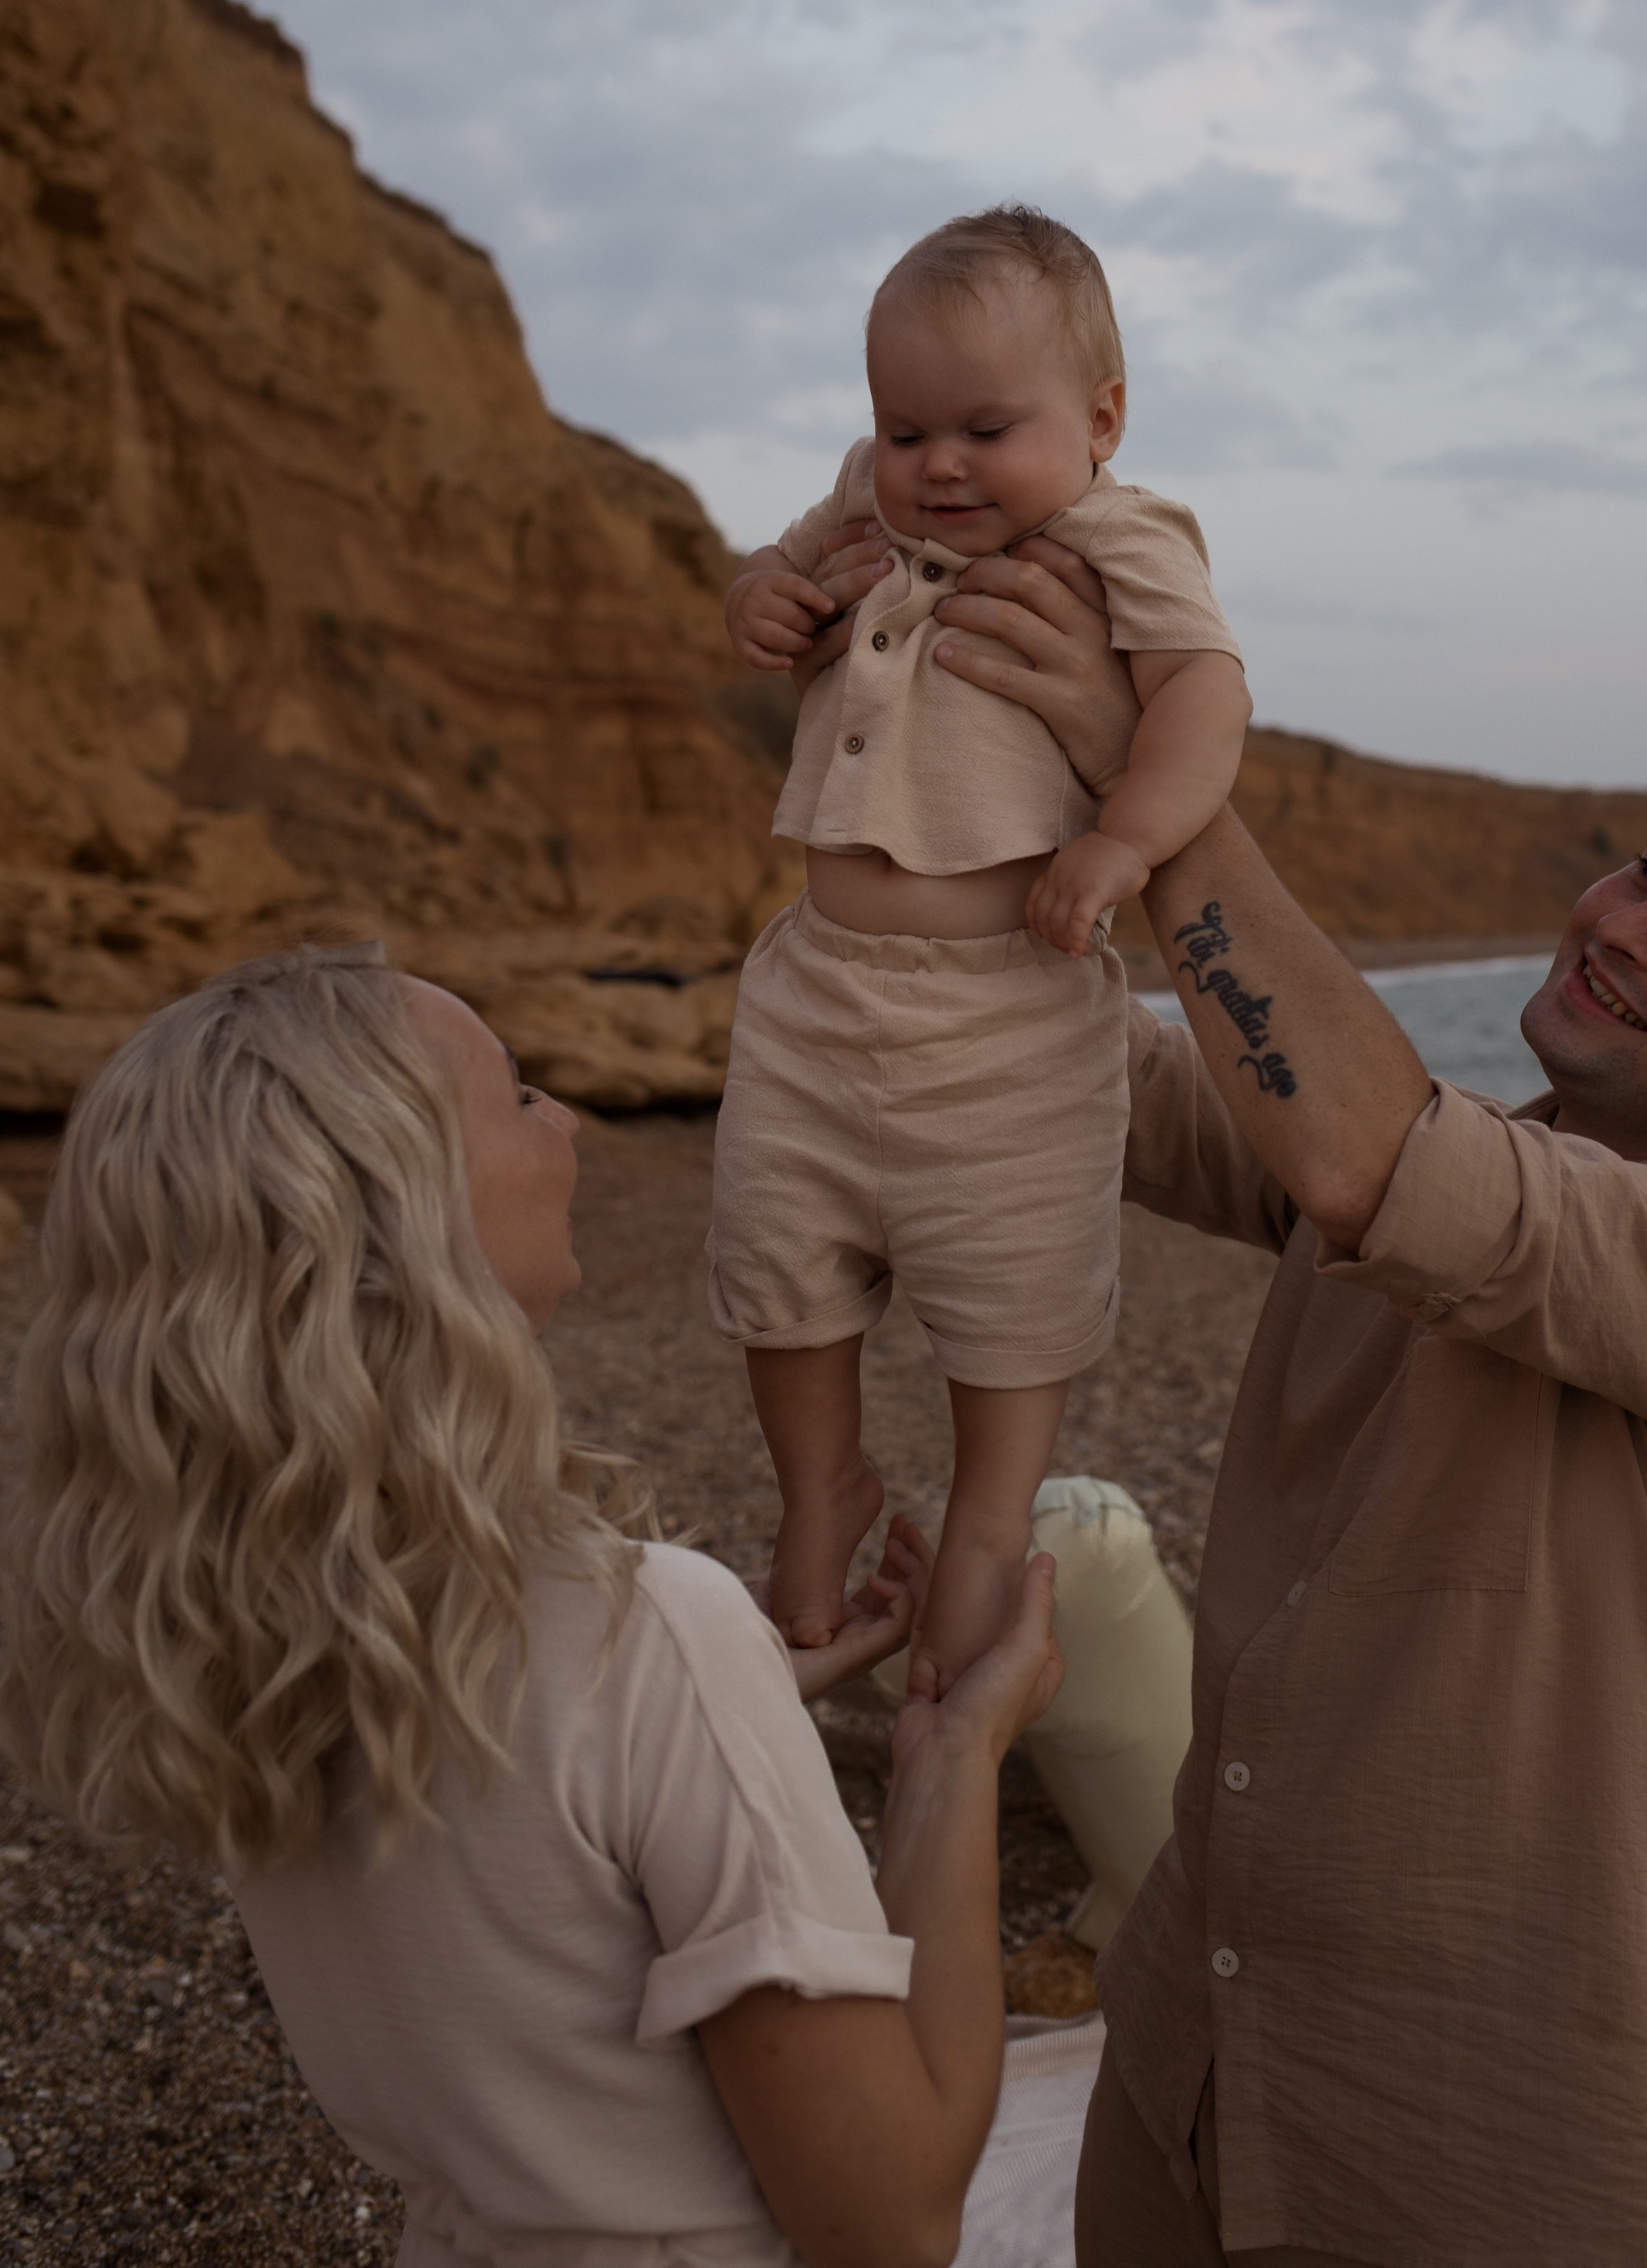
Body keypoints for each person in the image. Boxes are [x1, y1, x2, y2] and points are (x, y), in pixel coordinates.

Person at [913, 550, 1647, 2268]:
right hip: (1188, 2031)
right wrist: (923, 803)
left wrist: (1154, 770)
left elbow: (1360, 1156)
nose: (1622, 925)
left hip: (1475, 2140)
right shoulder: (1452, 1155)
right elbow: (1115, 1079)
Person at [0, 945, 1064, 2268]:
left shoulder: (241, 1642)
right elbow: (892, 2223)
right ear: (407, 1214)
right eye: (515, 1094)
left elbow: (525, 1830)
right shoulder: (647, 1634)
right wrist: (954, 1757)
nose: (562, 1119)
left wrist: (731, 1703)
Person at [713, 204, 1250, 1687]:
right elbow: (776, 560)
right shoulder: (868, 503)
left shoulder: (1120, 536)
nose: (936, 465)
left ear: (1101, 422)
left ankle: (983, 1541)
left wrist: (1124, 839)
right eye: (906, 430)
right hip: (818, 993)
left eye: (984, 430)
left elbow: (1205, 693)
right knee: (777, 1261)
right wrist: (761, 595)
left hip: (1012, 1014)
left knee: (1016, 1302)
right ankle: (821, 1485)